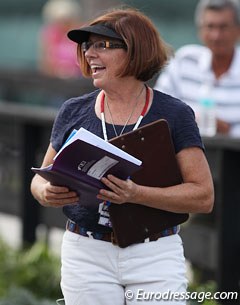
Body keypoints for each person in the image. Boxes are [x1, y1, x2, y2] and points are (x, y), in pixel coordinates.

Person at [30, 7, 214, 305]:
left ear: (135, 51)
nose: (89, 54)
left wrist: (136, 194)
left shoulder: (174, 114)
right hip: (85, 254)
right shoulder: (73, 110)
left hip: (154, 253)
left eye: (102, 45)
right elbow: (39, 180)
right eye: (87, 45)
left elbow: (203, 196)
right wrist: (47, 192)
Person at [154, 0, 240, 137]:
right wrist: (193, 122)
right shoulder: (184, 61)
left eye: (223, 27)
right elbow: (157, 111)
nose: (216, 36)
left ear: (238, 30)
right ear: (200, 31)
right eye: (210, 27)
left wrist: (227, 131)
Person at [38, 0, 83, 78]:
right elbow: (45, 63)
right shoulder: (49, 34)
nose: (62, 24)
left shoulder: (80, 33)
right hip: (55, 80)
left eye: (66, 20)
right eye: (59, 21)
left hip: (79, 80)